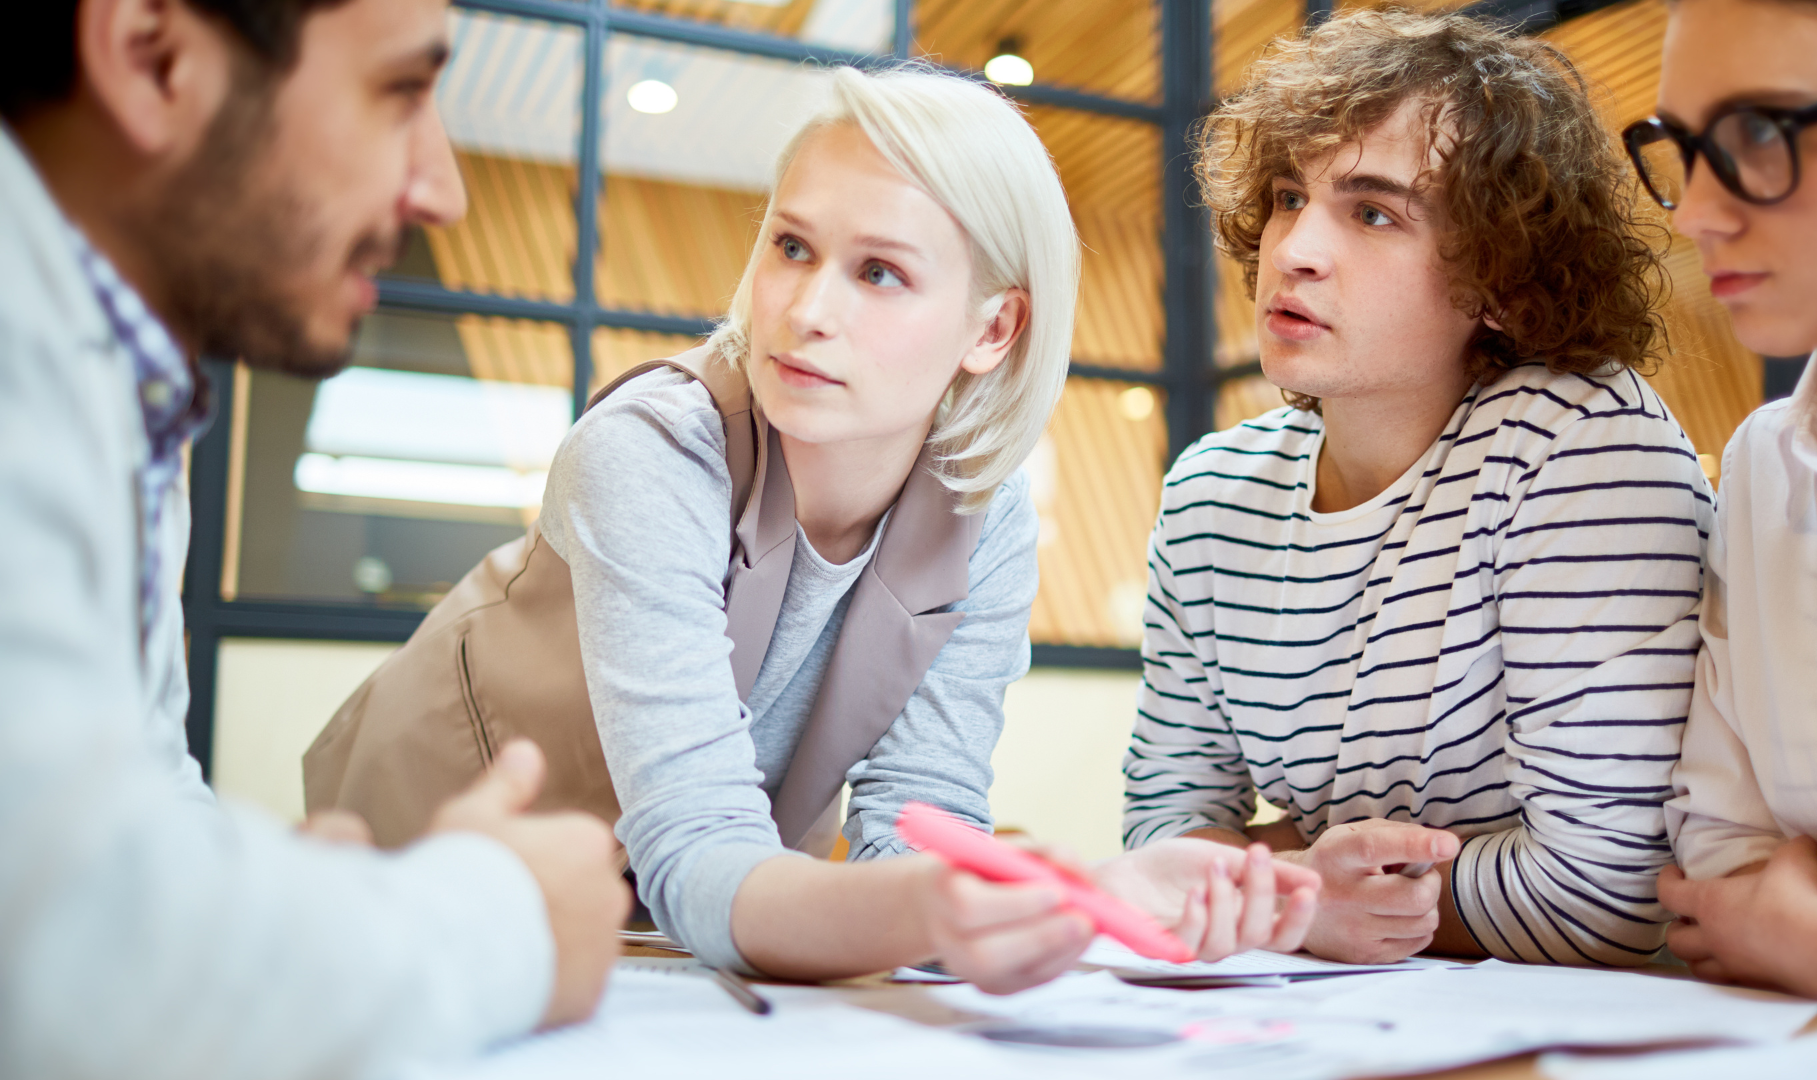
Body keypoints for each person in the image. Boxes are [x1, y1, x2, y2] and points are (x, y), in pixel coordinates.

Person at [307, 63, 1323, 994]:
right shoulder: (651, 449)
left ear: (993, 328)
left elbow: (916, 820)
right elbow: (699, 841)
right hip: (414, 881)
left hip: (650, 941)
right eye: (792, 246)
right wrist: (931, 908)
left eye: (879, 272)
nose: (804, 308)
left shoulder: (987, 506)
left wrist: (1099, 891)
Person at [0, 1, 631, 1077]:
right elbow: (67, 960)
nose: (442, 189)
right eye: (401, 91)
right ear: (151, 56)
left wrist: (290, 899)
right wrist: (498, 920)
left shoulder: (129, 389)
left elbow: (123, 825)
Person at [1110, 8, 1717, 967]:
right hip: (1346, 1021)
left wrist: (1287, 887)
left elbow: (1609, 892)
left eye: (1374, 211)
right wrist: (1307, 896)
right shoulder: (1210, 497)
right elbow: (1164, 830)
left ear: (1502, 280)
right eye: (1283, 196)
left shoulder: (1579, 442)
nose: (1295, 247)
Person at [1647, 0, 1817, 1003]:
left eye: (1762, 131)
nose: (1696, 212)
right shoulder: (1766, 463)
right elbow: (1719, 867)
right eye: (1680, 149)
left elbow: (1773, 916)